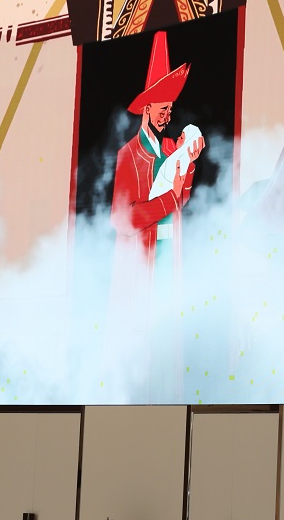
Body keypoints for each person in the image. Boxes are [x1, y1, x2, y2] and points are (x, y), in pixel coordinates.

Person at [108, 30, 204, 402]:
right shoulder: (128, 155)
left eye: (170, 110)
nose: (167, 116)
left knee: (168, 345)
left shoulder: (169, 147)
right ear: (146, 108)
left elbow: (184, 197)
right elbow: (122, 219)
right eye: (162, 109)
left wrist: (189, 162)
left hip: (169, 260)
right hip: (139, 268)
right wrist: (169, 199)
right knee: (142, 348)